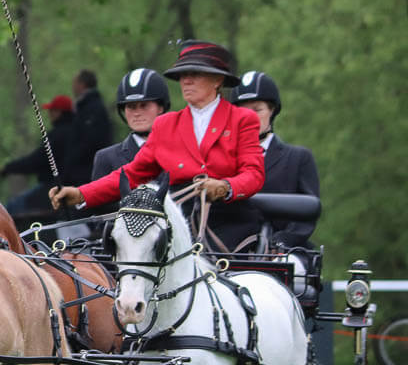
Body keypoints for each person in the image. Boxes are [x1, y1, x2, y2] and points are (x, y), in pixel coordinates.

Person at [49, 40, 265, 253]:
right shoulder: (165, 124)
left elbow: (253, 174)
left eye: (195, 74)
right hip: (178, 225)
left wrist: (225, 187)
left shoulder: (242, 119)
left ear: (217, 80)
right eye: (183, 75)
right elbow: (131, 174)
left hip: (229, 224)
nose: (186, 81)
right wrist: (81, 194)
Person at [229, 70, 320, 249]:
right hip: (230, 247)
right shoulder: (221, 159)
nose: (250, 117)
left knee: (295, 264)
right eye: (243, 111)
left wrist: (281, 242)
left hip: (284, 248)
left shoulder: (298, 158)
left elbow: (306, 216)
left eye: (257, 110)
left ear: (272, 110)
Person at [89, 68, 171, 220]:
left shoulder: (179, 151)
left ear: (160, 107)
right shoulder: (105, 158)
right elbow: (100, 214)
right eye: (131, 107)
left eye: (144, 105)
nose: (137, 113)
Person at [0, 94, 76, 218]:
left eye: (52, 111)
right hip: (66, 185)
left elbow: (36, 161)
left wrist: (9, 167)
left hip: (52, 187)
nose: (49, 114)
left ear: (59, 112)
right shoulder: (75, 132)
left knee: (12, 207)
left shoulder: (58, 135)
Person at [62, 69, 113, 188]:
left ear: (82, 84)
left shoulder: (92, 109)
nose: (73, 87)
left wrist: (72, 161)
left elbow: (91, 141)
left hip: (86, 174)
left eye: (75, 83)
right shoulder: (85, 107)